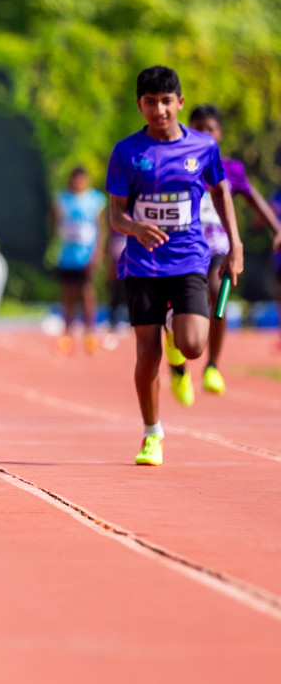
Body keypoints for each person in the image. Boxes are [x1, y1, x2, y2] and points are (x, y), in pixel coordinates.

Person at [106, 66, 240, 466]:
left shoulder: (203, 148)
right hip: (143, 264)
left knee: (193, 346)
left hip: (188, 259)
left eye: (166, 101)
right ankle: (152, 434)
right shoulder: (127, 153)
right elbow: (114, 214)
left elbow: (221, 193)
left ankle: (174, 332)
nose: (159, 110)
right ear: (140, 105)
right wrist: (135, 227)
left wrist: (236, 246)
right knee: (146, 355)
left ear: (179, 103)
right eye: (150, 102)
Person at [183, 104, 281, 392]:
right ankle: (179, 364)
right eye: (197, 128)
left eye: (209, 129)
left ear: (219, 133)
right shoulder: (180, 162)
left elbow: (255, 201)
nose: (204, 133)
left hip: (220, 250)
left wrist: (277, 229)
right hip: (186, 248)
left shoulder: (231, 169)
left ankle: (212, 365)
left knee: (219, 295)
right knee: (184, 309)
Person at [50, 166, 108, 354]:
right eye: (75, 179)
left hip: (86, 254)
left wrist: (98, 252)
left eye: (81, 179)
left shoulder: (95, 200)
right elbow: (54, 223)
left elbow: (102, 229)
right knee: (68, 294)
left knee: (86, 294)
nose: (78, 183)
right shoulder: (62, 199)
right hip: (67, 254)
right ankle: (66, 334)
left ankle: (90, 334)